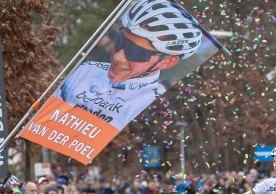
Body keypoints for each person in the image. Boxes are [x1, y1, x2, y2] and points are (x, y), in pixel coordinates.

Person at [54, 0, 203, 130]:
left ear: (166, 61)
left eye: (135, 52)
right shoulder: (85, 70)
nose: (118, 57)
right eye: (120, 42)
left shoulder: (154, 105)